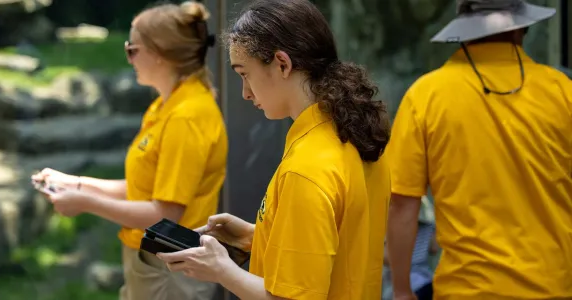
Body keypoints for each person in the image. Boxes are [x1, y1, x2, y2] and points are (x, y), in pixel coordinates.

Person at [157, 0, 391, 299]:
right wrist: (258, 238)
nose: (244, 92)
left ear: (282, 63)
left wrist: (220, 268)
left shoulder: (307, 168)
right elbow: (340, 248)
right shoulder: (355, 137)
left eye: (244, 73)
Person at [31, 2, 227, 300]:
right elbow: (145, 190)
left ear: (159, 54)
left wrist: (85, 202)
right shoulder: (166, 105)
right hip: (153, 264)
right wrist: (77, 183)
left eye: (132, 49)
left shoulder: (186, 117)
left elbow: (164, 214)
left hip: (169, 270)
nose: (129, 58)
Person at [385, 1, 572, 299]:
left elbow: (402, 204)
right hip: (553, 287)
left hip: (466, 289)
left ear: (464, 27)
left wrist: (402, 290)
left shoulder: (426, 96)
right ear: (522, 27)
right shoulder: (562, 91)